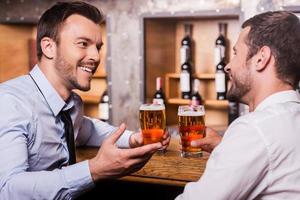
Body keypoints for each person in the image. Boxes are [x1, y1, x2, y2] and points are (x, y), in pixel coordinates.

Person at [0, 1, 170, 199]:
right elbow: (7, 189)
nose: (96, 56)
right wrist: (94, 170)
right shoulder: (9, 102)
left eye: (98, 47)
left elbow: (86, 130)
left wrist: (132, 139)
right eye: (83, 44)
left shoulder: (71, 104)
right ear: (48, 47)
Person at [176, 11, 300, 199]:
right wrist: (226, 148)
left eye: (235, 53)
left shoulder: (254, 129)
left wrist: (239, 142)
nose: (227, 66)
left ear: (261, 58)